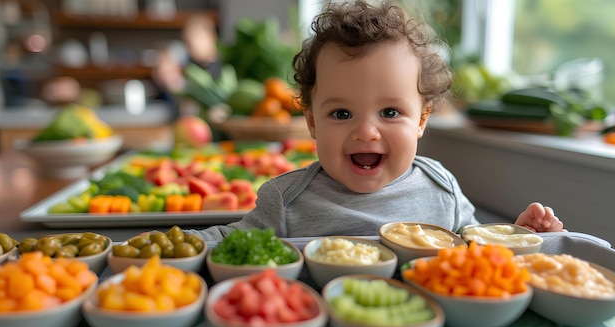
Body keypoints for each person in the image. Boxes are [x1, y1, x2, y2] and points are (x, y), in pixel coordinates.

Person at [196, 0, 565, 241]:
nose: (366, 132)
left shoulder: (441, 190)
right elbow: (227, 241)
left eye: (390, 112)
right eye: (341, 114)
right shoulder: (287, 200)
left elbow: (476, 242)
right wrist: (166, 247)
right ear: (311, 122)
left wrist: (518, 235)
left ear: (421, 119)